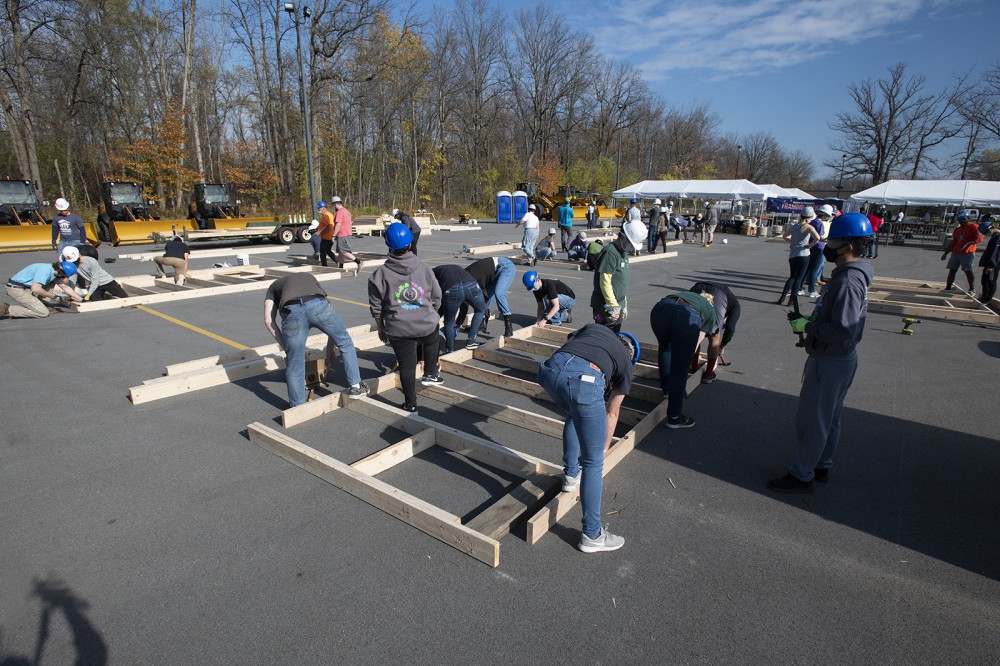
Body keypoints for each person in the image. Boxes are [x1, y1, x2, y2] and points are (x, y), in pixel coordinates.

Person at [768, 212, 875, 493]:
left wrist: (811, 327)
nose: (828, 246)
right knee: (829, 416)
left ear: (849, 246)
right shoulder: (849, 276)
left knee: (813, 419)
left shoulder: (848, 282)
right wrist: (811, 329)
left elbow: (844, 328)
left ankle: (802, 474)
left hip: (831, 360)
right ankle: (822, 464)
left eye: (834, 241)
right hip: (836, 356)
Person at [537, 324, 639, 553]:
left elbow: (570, 338)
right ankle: (592, 535)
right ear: (631, 354)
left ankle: (570, 475)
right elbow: (612, 412)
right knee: (593, 462)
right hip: (584, 382)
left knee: (575, 413)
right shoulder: (625, 364)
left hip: (549, 371)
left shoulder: (597, 328)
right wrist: (603, 448)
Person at [368, 222, 443, 412]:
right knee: (433, 337)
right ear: (410, 244)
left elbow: (376, 306)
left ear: (389, 247)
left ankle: (410, 403)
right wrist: (430, 313)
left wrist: (381, 327)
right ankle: (431, 372)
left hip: (398, 328)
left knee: (407, 367)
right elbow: (437, 297)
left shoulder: (379, 274)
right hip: (426, 324)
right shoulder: (424, 268)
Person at [264, 273, 367, 408]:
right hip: (317, 304)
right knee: (345, 342)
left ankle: (297, 407)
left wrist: (288, 349)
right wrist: (330, 349)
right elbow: (331, 322)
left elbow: (268, 320)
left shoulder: (272, 288)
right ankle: (355, 387)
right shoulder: (308, 277)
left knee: (295, 362)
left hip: (292, 312)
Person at [649, 288, 717, 429]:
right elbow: (700, 337)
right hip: (685, 315)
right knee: (680, 367)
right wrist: (687, 355)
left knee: (665, 349)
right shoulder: (710, 311)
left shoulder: (689, 295)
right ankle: (674, 417)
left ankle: (667, 390)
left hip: (660, 309)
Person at [591, 219, 645, 332]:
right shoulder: (610, 252)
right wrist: (613, 306)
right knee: (604, 337)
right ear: (622, 237)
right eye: (630, 243)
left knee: (613, 337)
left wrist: (624, 305)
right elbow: (605, 281)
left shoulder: (623, 253)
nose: (631, 247)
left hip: (617, 304)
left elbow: (621, 282)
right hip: (605, 306)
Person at [689, 281, 740, 384]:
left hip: (697, 287)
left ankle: (693, 368)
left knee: (694, 330)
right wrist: (722, 346)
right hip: (719, 294)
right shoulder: (735, 305)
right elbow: (730, 328)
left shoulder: (731, 302)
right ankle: (709, 374)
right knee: (715, 336)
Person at [432, 263, 486, 352]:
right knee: (480, 310)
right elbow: (464, 302)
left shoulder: (431, 274)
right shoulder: (457, 268)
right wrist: (460, 321)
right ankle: (471, 341)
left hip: (451, 288)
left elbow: (436, 295)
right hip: (471, 285)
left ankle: (450, 350)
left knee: (449, 322)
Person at [1, 260, 79, 319]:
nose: (63, 277)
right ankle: (7, 309)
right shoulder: (45, 271)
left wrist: (81, 299)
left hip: (25, 288)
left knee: (52, 282)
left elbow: (65, 287)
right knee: (43, 312)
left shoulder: (54, 271)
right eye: (64, 275)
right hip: (16, 289)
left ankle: (42, 303)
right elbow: (35, 289)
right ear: (61, 272)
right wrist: (54, 296)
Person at [460, 256, 516, 336]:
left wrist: (458, 322)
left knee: (499, 293)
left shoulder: (469, 279)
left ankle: (508, 325)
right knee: (486, 296)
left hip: (505, 266)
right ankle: (481, 324)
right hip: (493, 270)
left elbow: (465, 302)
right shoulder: (464, 277)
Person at [777, 207, 821, 305]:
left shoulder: (795, 226)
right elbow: (817, 238)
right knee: (799, 278)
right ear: (809, 217)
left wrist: (792, 242)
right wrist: (810, 245)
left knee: (792, 276)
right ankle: (792, 300)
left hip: (793, 254)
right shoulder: (809, 227)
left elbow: (785, 236)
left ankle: (782, 297)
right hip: (804, 254)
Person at [61, 246, 127, 301]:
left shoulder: (91, 261)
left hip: (107, 282)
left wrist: (88, 295)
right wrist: (72, 294)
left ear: (79, 255)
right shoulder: (73, 265)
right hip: (94, 285)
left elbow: (95, 279)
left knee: (125, 298)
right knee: (95, 301)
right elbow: (72, 279)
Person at [942, 210, 983, 292]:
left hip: (968, 253)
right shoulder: (958, 230)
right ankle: (948, 287)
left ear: (968, 218)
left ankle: (971, 288)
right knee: (952, 270)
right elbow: (954, 242)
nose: (962, 222)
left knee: (967, 270)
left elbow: (978, 239)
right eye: (960, 220)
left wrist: (966, 244)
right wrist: (946, 253)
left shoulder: (974, 227)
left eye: (964, 219)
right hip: (956, 252)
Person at [804, 204, 834, 297]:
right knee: (814, 269)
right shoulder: (819, 223)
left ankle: (800, 288)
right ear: (825, 215)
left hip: (811, 246)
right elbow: (820, 237)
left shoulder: (812, 222)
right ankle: (812, 291)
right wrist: (827, 238)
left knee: (808, 268)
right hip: (819, 247)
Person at [331, 197, 362, 270]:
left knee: (344, 251)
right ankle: (341, 267)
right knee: (340, 252)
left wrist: (333, 235)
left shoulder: (340, 212)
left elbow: (338, 224)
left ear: (335, 204)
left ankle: (358, 262)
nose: (333, 207)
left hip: (342, 234)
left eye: (333, 205)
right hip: (346, 233)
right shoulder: (346, 211)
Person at [979, 218, 1000, 303]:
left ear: (990, 228)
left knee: (990, 281)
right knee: (984, 280)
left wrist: (991, 265)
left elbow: (996, 253)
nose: (986, 234)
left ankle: (988, 299)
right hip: (989, 263)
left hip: (993, 264)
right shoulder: (994, 236)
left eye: (986, 232)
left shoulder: (998, 237)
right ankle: (984, 297)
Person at [314, 202, 338, 267]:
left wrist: (319, 232)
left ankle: (324, 265)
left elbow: (329, 226)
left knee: (323, 252)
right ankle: (336, 261)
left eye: (319, 209)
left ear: (323, 208)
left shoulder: (326, 215)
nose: (318, 210)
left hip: (327, 237)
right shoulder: (327, 215)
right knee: (327, 251)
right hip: (327, 236)